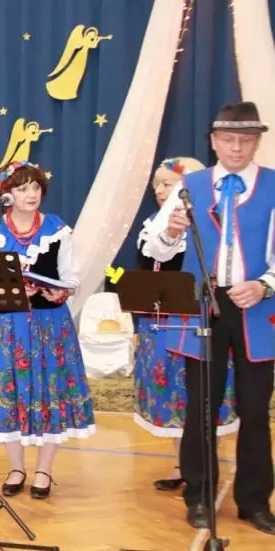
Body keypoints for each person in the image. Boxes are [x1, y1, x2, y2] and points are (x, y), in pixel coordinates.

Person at [145, 102, 275, 534]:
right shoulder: (190, 186)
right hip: (202, 304)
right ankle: (199, 496)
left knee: (255, 409)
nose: (237, 147)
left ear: (257, 142)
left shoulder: (274, 185)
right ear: (214, 141)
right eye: (229, 139)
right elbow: (154, 248)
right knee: (202, 406)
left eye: (246, 140)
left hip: (257, 306)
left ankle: (254, 502)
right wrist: (171, 232)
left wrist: (265, 285)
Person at [0, 161, 96, 500]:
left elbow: (70, 276)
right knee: (10, 392)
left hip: (48, 324)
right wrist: (10, 290)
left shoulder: (57, 228)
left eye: (36, 187)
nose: (31, 194)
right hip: (7, 325)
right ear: (7, 193)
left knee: (49, 393)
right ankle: (16, 467)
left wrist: (62, 291)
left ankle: (44, 469)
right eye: (22, 188)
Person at [134, 157, 239, 491]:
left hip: (199, 319)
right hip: (162, 321)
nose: (160, 191)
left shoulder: (211, 223)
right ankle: (182, 464)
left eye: (167, 183)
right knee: (172, 395)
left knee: (204, 393)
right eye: (157, 185)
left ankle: (207, 465)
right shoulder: (153, 226)